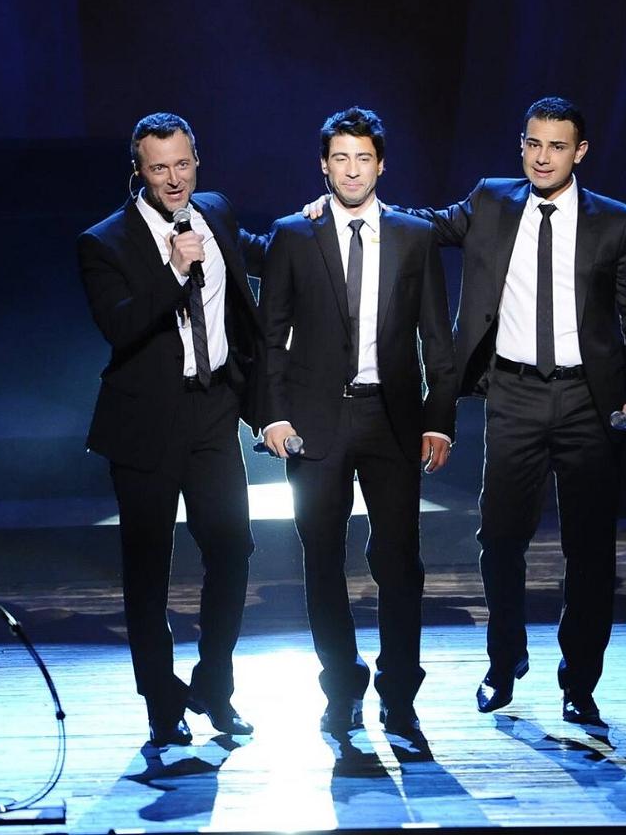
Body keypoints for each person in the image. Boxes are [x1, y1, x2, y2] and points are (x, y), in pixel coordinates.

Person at [404, 97, 626, 726]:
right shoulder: (491, 200)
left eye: (556, 146)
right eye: (533, 144)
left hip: (588, 401)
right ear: (522, 145)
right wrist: (351, 207)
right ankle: (504, 660)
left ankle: (579, 682)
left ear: (580, 152)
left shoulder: (614, 221)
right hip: (513, 395)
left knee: (590, 549)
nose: (542, 158)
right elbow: (425, 226)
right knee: (499, 539)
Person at [258, 107, 458, 741]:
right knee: (322, 556)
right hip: (314, 421)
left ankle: (399, 693)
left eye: (363, 158)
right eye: (340, 158)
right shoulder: (293, 234)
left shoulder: (413, 237)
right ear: (324, 165)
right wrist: (272, 415)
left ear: (381, 165)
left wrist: (439, 420)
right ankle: (342, 686)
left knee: (399, 558)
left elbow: (438, 337)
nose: (351, 170)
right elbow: (270, 337)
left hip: (391, 416)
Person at [76, 112, 265, 747]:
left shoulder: (216, 212)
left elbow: (259, 252)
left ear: (197, 161)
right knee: (148, 568)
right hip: (144, 423)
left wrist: (313, 223)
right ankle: (162, 703)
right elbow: (121, 327)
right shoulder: (104, 242)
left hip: (213, 410)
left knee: (232, 550)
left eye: (183, 164)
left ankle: (214, 685)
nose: (175, 179)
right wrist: (174, 272)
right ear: (139, 172)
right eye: (160, 169)